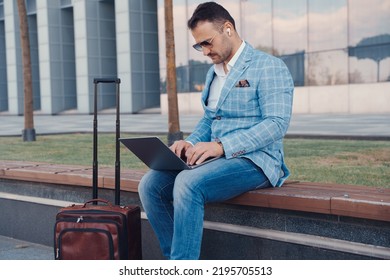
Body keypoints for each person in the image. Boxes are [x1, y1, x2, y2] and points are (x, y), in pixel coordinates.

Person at [138, 2, 294, 260]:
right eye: (199, 45)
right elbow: (211, 119)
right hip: (217, 160)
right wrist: (189, 143)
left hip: (257, 161)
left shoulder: (269, 67)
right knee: (150, 184)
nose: (204, 51)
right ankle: (175, 261)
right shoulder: (213, 73)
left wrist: (221, 146)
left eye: (207, 42)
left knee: (188, 183)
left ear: (228, 29)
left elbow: (276, 124)